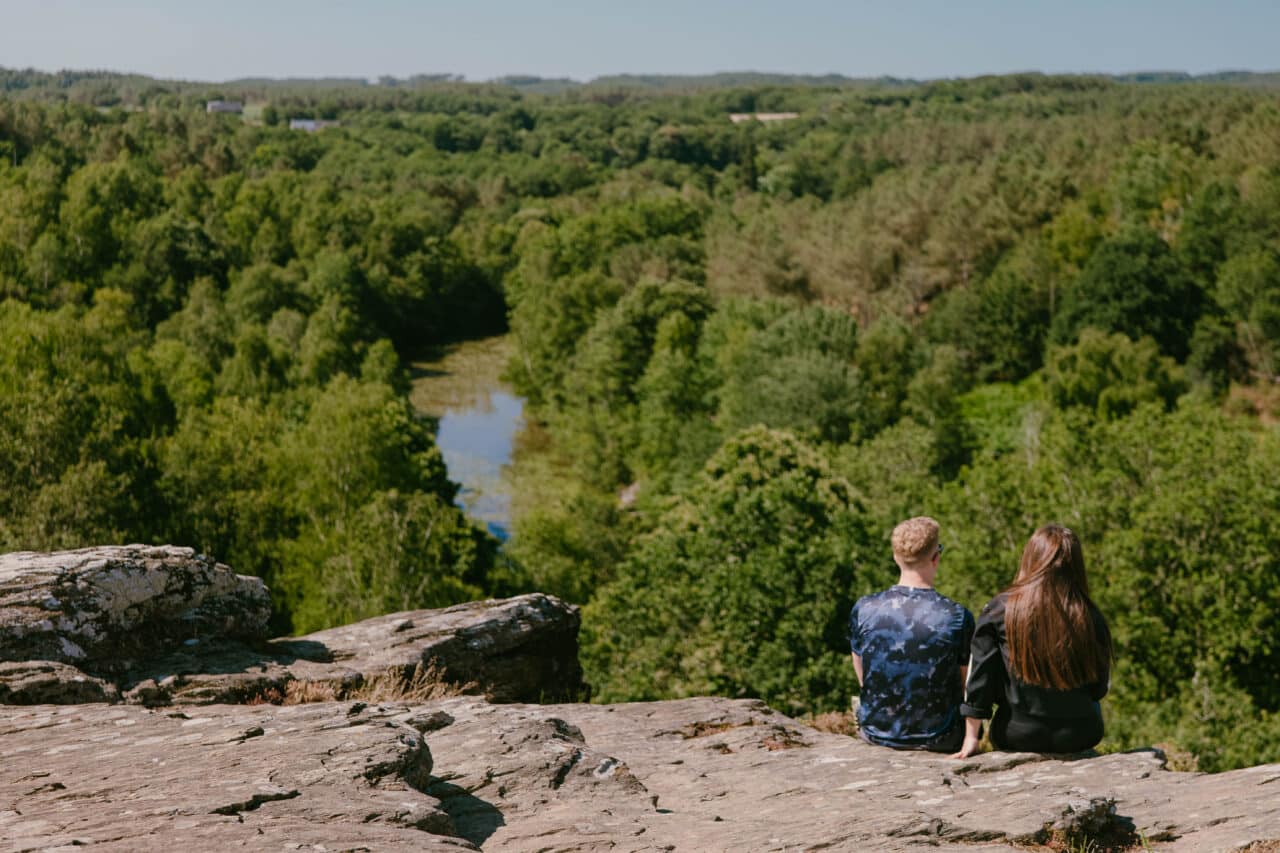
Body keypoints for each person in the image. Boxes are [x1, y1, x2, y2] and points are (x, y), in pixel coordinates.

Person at [954, 524, 1113, 758]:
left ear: (1030, 559)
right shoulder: (1090, 615)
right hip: (1080, 733)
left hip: (1017, 733)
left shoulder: (999, 610)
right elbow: (1098, 689)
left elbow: (981, 678)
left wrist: (971, 737)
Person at [849, 516, 974, 752]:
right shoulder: (956, 616)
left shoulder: (864, 608)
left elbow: (864, 677)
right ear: (936, 557)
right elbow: (965, 684)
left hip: (875, 734)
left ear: (896, 558)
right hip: (940, 737)